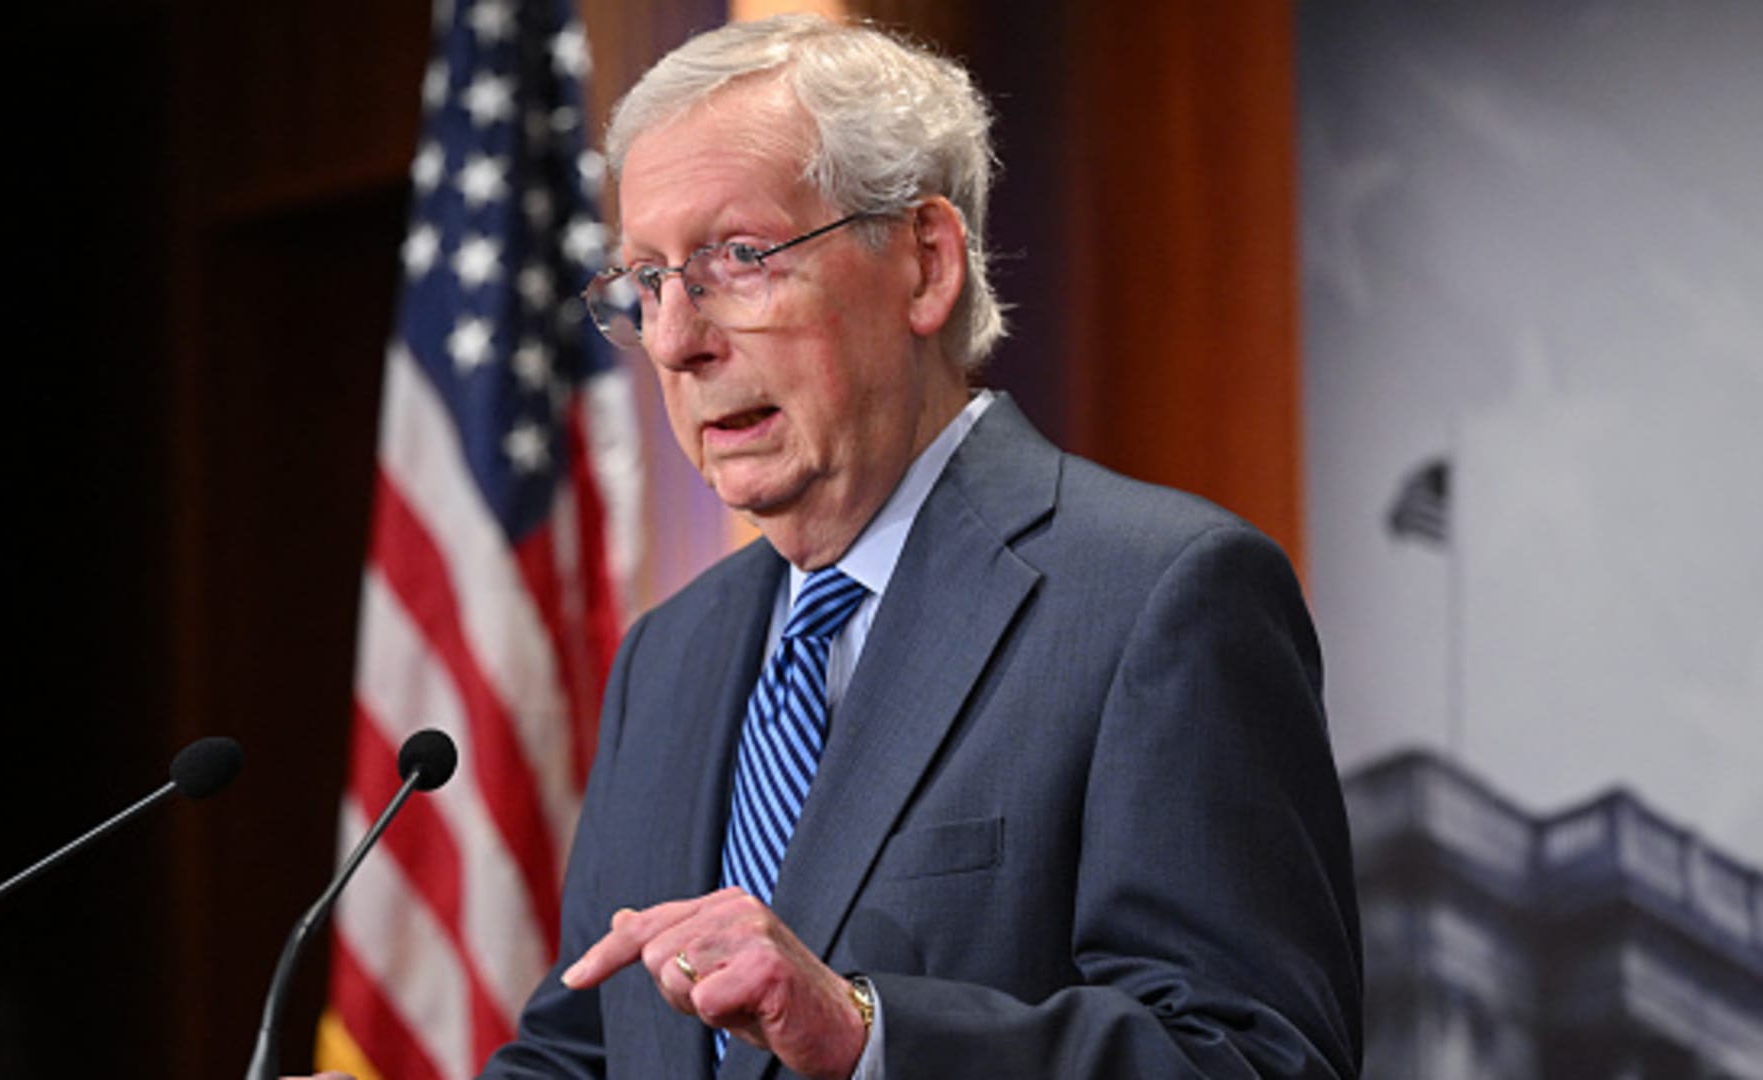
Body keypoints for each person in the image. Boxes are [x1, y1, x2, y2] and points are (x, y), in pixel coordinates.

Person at [309, 12, 1360, 1080]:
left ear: (924, 263)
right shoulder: (670, 655)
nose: (677, 339)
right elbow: (591, 1053)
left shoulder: (1159, 597)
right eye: (649, 280)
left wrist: (867, 1035)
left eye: (739, 257)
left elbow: (1257, 1060)